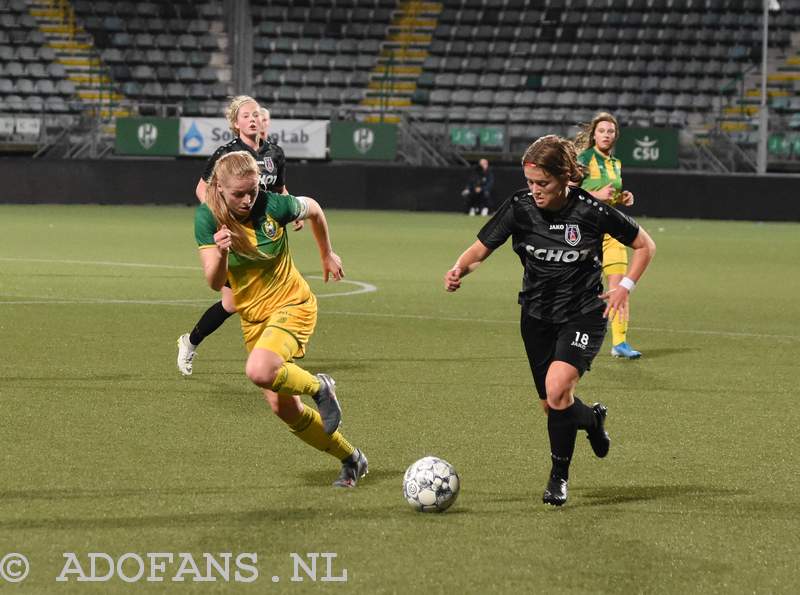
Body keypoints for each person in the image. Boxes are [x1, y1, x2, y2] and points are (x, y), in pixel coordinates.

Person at [444, 135, 655, 506]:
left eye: (543, 183)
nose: (535, 190)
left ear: (564, 177)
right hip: (536, 316)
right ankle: (590, 420)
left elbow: (645, 246)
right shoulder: (520, 208)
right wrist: (460, 268)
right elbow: (481, 249)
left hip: (583, 313)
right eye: (530, 183)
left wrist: (624, 286)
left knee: (558, 388)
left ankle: (558, 478)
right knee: (551, 404)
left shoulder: (591, 210)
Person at [194, 150, 368, 487]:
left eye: (253, 191)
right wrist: (222, 251)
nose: (247, 200)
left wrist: (326, 253)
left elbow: (314, 209)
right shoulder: (207, 218)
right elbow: (215, 283)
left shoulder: (274, 206)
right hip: (254, 319)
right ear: (218, 188)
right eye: (239, 194)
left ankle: (321, 386)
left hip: (293, 304)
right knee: (284, 409)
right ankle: (351, 458)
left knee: (258, 370)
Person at [177, 96, 293, 376]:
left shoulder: (274, 154)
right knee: (233, 302)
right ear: (235, 123)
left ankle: (270, 356)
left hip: (266, 238)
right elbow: (202, 189)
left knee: (249, 299)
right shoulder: (227, 154)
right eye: (245, 116)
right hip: (235, 237)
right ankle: (191, 343)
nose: (252, 119)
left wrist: (293, 213)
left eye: (256, 114)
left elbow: (278, 190)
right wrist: (219, 218)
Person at [576, 112, 642, 359]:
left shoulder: (616, 163)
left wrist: (622, 197)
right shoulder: (583, 158)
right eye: (602, 130)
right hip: (585, 231)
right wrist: (597, 196)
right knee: (577, 286)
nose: (606, 135)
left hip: (611, 232)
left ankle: (620, 343)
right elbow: (569, 191)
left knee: (619, 287)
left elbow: (609, 195)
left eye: (611, 131)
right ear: (594, 134)